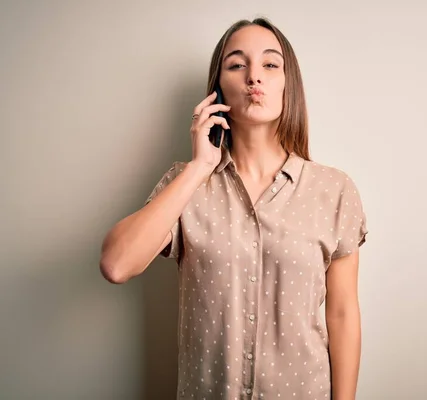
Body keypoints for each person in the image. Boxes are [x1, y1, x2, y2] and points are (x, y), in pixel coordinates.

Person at [100, 17, 368, 400]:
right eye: (237, 64)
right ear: (217, 89)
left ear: (288, 85)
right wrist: (199, 167)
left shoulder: (334, 190)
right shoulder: (186, 184)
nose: (254, 77)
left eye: (270, 65)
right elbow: (116, 264)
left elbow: (342, 316)